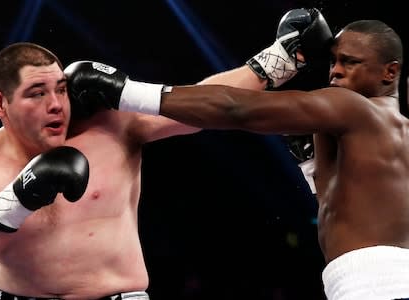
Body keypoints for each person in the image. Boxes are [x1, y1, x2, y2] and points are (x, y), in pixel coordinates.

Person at [0, 8, 332, 300]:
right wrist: (20, 197)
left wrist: (287, 56)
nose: (56, 104)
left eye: (60, 89)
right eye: (37, 94)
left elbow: (201, 104)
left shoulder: (112, 125)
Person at [79, 19, 409, 299]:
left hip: (373, 286)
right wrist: (312, 169)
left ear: (389, 72)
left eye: (349, 62)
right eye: (333, 61)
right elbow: (352, 214)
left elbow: (238, 109)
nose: (335, 72)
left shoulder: (354, 109)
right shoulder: (393, 132)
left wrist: (126, 91)